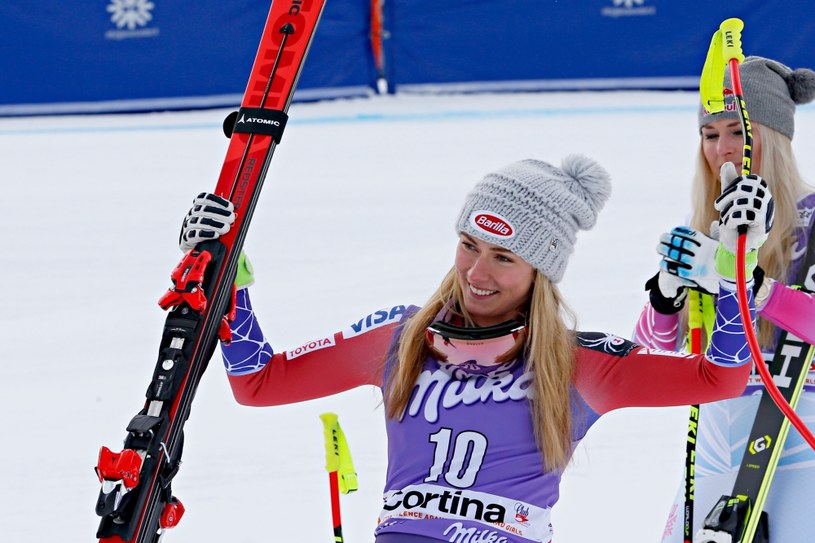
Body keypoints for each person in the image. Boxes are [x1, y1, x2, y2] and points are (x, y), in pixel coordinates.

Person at [181, 154, 770, 543]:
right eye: (468, 245)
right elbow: (259, 383)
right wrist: (227, 279)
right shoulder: (401, 337)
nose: (476, 272)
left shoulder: (577, 361)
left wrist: (733, 273)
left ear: (541, 270)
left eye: (503, 257)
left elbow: (720, 379)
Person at [632, 56, 815, 542]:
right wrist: (666, 295)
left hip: (799, 441)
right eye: (709, 135)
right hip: (715, 441)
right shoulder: (702, 228)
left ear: (771, 136)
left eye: (737, 131)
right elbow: (655, 355)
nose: (722, 149)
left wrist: (751, 287)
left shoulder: (814, 218)